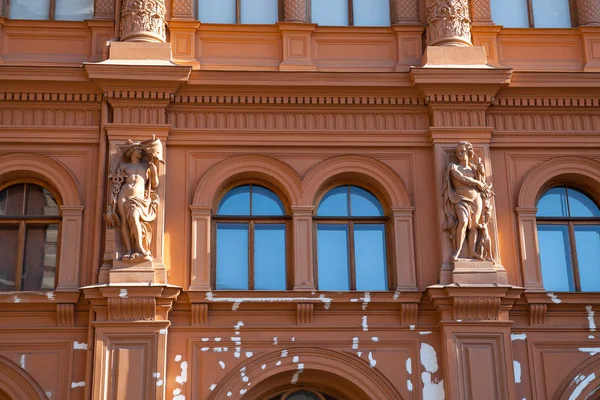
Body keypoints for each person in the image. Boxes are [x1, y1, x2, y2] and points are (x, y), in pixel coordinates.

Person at [105, 137, 162, 262]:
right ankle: (129, 250)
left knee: (134, 218)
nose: (140, 153)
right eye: (138, 150)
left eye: (141, 151)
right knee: (124, 222)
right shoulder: (124, 165)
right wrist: (112, 197)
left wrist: (154, 172)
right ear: (132, 152)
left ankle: (140, 248)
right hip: (123, 195)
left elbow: (155, 184)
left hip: (138, 199)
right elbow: (116, 183)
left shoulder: (146, 166)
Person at [443, 141, 492, 261]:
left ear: (468, 152)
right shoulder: (453, 167)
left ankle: (471, 251)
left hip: (476, 198)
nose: (459, 154)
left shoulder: (474, 168)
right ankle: (458, 251)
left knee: (475, 225)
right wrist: (477, 182)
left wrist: (482, 173)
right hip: (460, 198)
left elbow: (483, 185)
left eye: (462, 151)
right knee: (463, 221)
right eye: (458, 152)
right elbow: (461, 178)